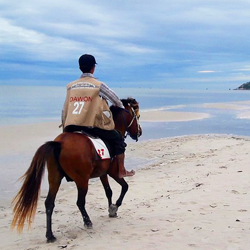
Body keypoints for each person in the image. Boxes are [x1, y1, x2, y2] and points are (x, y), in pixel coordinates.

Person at [61, 54, 135, 178]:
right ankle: (121, 170)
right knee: (118, 139)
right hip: (90, 126)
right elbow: (116, 100)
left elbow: (64, 111)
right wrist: (121, 108)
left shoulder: (70, 86)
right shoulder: (98, 85)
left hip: (71, 126)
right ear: (93, 68)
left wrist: (65, 129)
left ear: (80, 68)